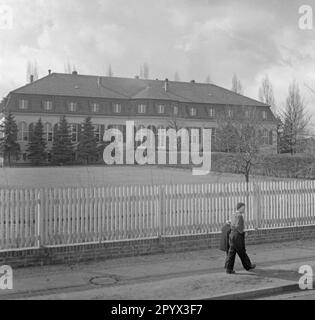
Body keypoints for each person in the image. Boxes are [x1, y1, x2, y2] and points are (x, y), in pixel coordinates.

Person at [225, 202, 256, 274]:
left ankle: (228, 269)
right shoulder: (239, 216)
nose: (244, 209)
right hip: (238, 236)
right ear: (240, 208)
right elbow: (238, 226)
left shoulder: (233, 215)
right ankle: (248, 266)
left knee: (231, 253)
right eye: (244, 208)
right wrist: (243, 232)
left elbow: (231, 224)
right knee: (242, 252)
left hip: (232, 235)